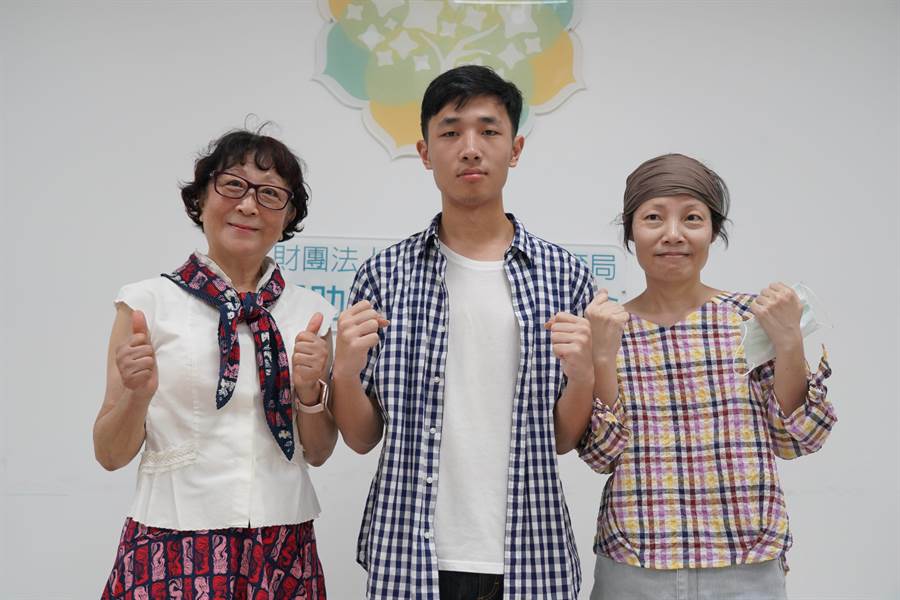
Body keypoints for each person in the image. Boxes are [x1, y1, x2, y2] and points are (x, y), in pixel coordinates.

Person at [330, 65, 596, 600]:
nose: (470, 149)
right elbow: (360, 438)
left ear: (515, 149)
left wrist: (586, 374)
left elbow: (563, 440)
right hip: (407, 554)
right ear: (425, 153)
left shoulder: (564, 276)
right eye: (450, 132)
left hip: (533, 554)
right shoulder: (384, 275)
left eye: (488, 131)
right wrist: (345, 370)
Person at [579, 153, 837, 599]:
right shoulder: (608, 325)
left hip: (746, 565)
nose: (673, 234)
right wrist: (601, 354)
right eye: (653, 217)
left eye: (692, 218)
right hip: (635, 563)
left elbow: (798, 439)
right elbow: (601, 455)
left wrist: (789, 341)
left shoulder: (752, 318)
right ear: (630, 232)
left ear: (713, 231)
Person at [94, 128, 338, 599]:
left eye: (270, 194)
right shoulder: (145, 304)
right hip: (170, 540)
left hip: (281, 544)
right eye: (233, 185)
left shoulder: (311, 313)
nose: (248, 205)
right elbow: (109, 454)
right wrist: (137, 395)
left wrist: (310, 393)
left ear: (288, 216)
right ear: (201, 198)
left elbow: (320, 451)